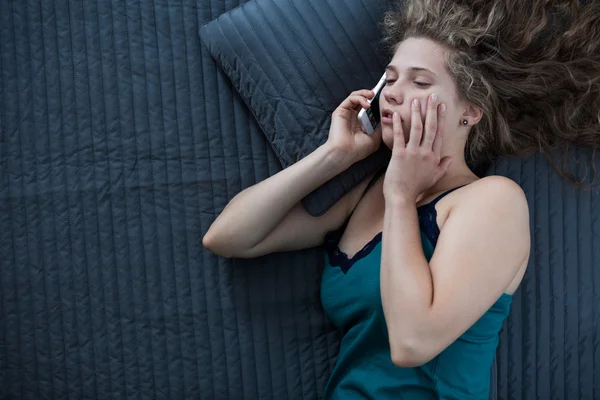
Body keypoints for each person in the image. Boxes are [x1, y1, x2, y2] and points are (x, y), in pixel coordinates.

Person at [203, 0, 600, 398]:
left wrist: (401, 196)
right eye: (389, 79)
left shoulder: (492, 201)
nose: (392, 94)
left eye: (420, 82)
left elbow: (412, 342)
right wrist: (333, 156)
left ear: (470, 111)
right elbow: (229, 237)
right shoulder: (368, 193)